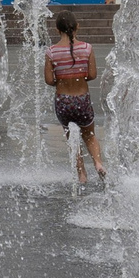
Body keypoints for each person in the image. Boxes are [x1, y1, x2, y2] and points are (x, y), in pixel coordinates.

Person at [45, 12, 108, 183]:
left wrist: (63, 79)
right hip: (82, 99)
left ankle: (81, 174)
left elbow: (49, 80)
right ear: (77, 27)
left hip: (63, 102)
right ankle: (98, 163)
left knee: (71, 137)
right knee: (89, 135)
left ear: (57, 30)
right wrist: (78, 76)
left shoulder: (51, 52)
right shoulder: (87, 48)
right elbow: (93, 74)